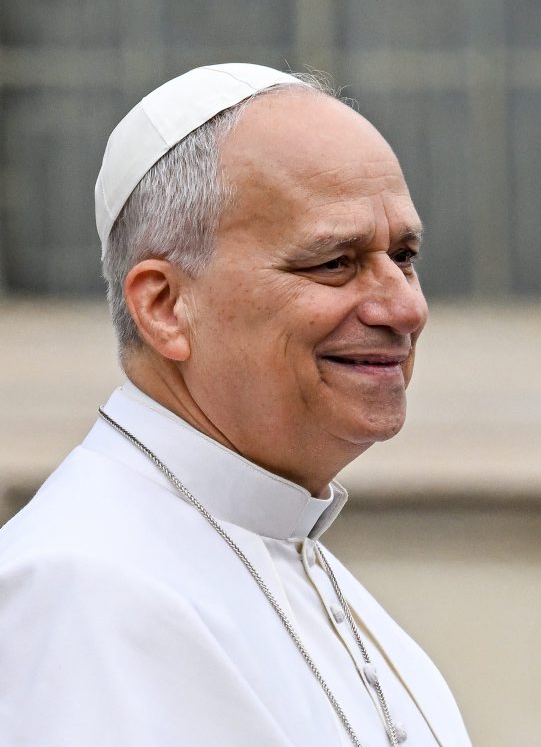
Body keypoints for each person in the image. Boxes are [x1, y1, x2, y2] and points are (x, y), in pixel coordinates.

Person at [0, 64, 472, 746]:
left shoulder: (309, 567)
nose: (405, 308)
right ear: (166, 306)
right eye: (334, 262)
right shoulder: (82, 591)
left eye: (403, 256)